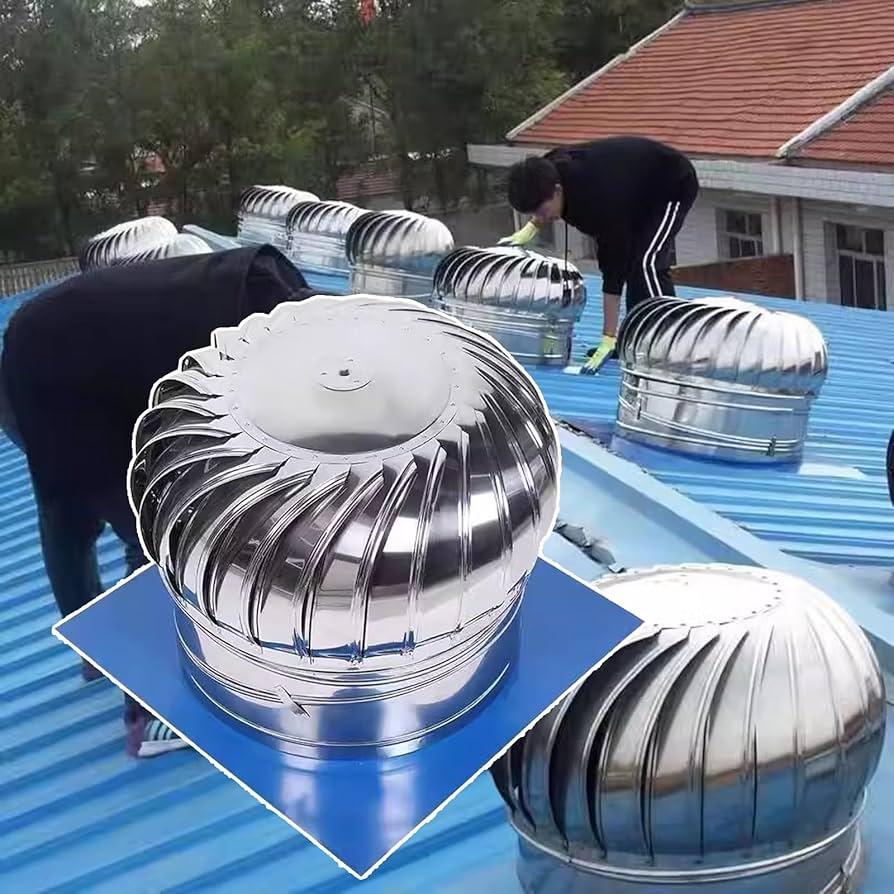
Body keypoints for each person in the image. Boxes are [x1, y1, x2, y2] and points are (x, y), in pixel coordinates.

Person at [1, 245, 319, 758]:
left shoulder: (265, 284)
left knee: (73, 508)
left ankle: (98, 648)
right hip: (65, 375)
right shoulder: (274, 338)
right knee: (155, 531)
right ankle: (152, 711)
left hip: (53, 346)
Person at [500, 136, 699, 374]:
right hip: (633, 190)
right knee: (635, 265)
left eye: (542, 211)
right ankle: (634, 341)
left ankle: (670, 345)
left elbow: (613, 273)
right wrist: (532, 226)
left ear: (558, 190)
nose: (543, 218)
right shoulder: (544, 171)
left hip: (671, 183)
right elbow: (546, 200)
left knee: (646, 263)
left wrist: (608, 337)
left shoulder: (596, 203)